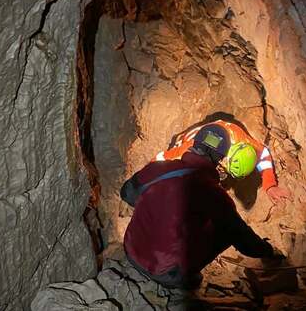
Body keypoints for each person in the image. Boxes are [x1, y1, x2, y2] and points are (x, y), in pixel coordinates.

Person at [120, 124, 283, 288]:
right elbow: (245, 241)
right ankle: (185, 277)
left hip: (131, 251)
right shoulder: (217, 196)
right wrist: (268, 251)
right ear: (220, 159)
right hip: (168, 274)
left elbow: (126, 194)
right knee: (228, 228)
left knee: (157, 202)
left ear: (195, 143)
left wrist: (160, 204)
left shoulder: (157, 168)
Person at [153, 119, 290, 209]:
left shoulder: (244, 143)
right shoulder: (194, 148)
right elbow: (162, 158)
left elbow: (263, 154)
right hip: (186, 141)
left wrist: (270, 185)